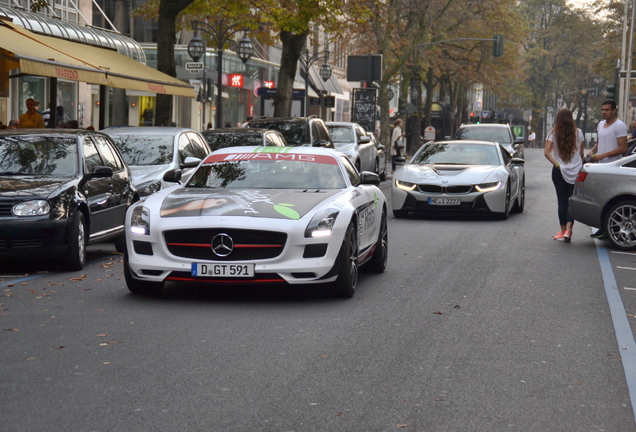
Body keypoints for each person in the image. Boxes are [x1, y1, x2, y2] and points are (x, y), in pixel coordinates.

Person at [587, 100, 628, 239]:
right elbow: (600, 141)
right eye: (603, 109)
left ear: (614, 110)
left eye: (607, 110)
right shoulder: (600, 124)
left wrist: (603, 155)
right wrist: (592, 151)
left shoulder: (619, 125)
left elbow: (623, 148)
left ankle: (609, 229)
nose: (604, 112)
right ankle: (602, 227)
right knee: (599, 198)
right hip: (600, 166)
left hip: (613, 168)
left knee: (609, 199)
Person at [544, 108, 584, 242]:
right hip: (576, 171)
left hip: (559, 171)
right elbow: (581, 154)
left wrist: (557, 164)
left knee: (561, 201)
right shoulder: (578, 133)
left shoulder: (553, 134)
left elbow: (546, 152)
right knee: (570, 201)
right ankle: (569, 230)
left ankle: (562, 231)